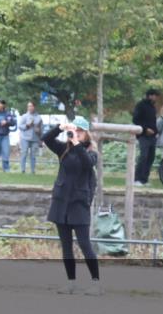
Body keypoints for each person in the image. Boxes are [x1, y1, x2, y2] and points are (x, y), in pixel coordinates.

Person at [42, 116, 101, 295]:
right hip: (61, 203)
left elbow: (87, 163)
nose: (76, 133)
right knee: (66, 246)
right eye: (75, 130)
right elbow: (46, 138)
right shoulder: (63, 149)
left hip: (79, 204)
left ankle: (96, 283)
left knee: (85, 244)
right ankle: (71, 283)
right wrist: (60, 127)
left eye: (80, 131)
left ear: (87, 133)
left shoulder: (91, 152)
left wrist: (76, 143)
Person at [132, 89, 160, 186]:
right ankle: (136, 179)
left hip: (152, 136)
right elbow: (135, 120)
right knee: (143, 156)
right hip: (143, 135)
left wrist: (156, 132)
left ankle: (144, 179)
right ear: (150, 96)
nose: (156, 98)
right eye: (155, 96)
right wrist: (145, 129)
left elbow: (153, 121)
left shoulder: (152, 107)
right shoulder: (141, 105)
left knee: (150, 157)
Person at [18, 101, 44, 174]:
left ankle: (33, 171)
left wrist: (41, 137)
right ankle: (22, 170)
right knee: (24, 153)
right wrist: (27, 125)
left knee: (33, 155)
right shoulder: (24, 116)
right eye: (28, 106)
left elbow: (42, 129)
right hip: (25, 138)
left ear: (34, 107)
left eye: (31, 106)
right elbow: (20, 126)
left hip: (35, 139)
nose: (29, 107)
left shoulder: (39, 117)